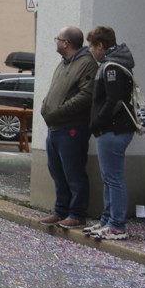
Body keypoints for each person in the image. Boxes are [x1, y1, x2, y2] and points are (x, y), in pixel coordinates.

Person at [38, 25, 97, 229]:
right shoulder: (64, 63)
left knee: (74, 172)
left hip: (72, 128)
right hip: (54, 127)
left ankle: (77, 214)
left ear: (66, 43)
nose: (56, 41)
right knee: (57, 172)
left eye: (58, 38)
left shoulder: (86, 63)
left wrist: (59, 111)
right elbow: (56, 90)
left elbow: (86, 95)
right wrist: (46, 106)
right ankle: (61, 210)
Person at [84, 26, 137, 241]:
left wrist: (97, 122)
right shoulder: (114, 63)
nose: (90, 50)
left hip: (113, 129)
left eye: (91, 46)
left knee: (113, 178)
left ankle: (117, 224)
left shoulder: (111, 67)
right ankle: (108, 220)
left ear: (101, 46)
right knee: (109, 177)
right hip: (115, 129)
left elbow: (113, 100)